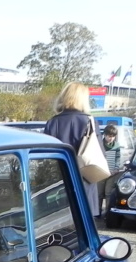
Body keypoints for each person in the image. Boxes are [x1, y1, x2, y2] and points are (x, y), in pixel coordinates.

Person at [44, 82, 100, 217]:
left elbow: (45, 156)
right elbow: (99, 154)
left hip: (59, 182)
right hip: (84, 180)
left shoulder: (52, 122)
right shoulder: (90, 122)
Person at [99, 124, 123, 215]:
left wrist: (116, 169)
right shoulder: (100, 145)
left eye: (113, 136)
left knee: (108, 193)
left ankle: (108, 212)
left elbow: (117, 158)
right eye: (109, 136)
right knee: (99, 194)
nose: (111, 138)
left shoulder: (116, 146)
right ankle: (97, 211)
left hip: (112, 173)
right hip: (101, 172)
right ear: (104, 135)